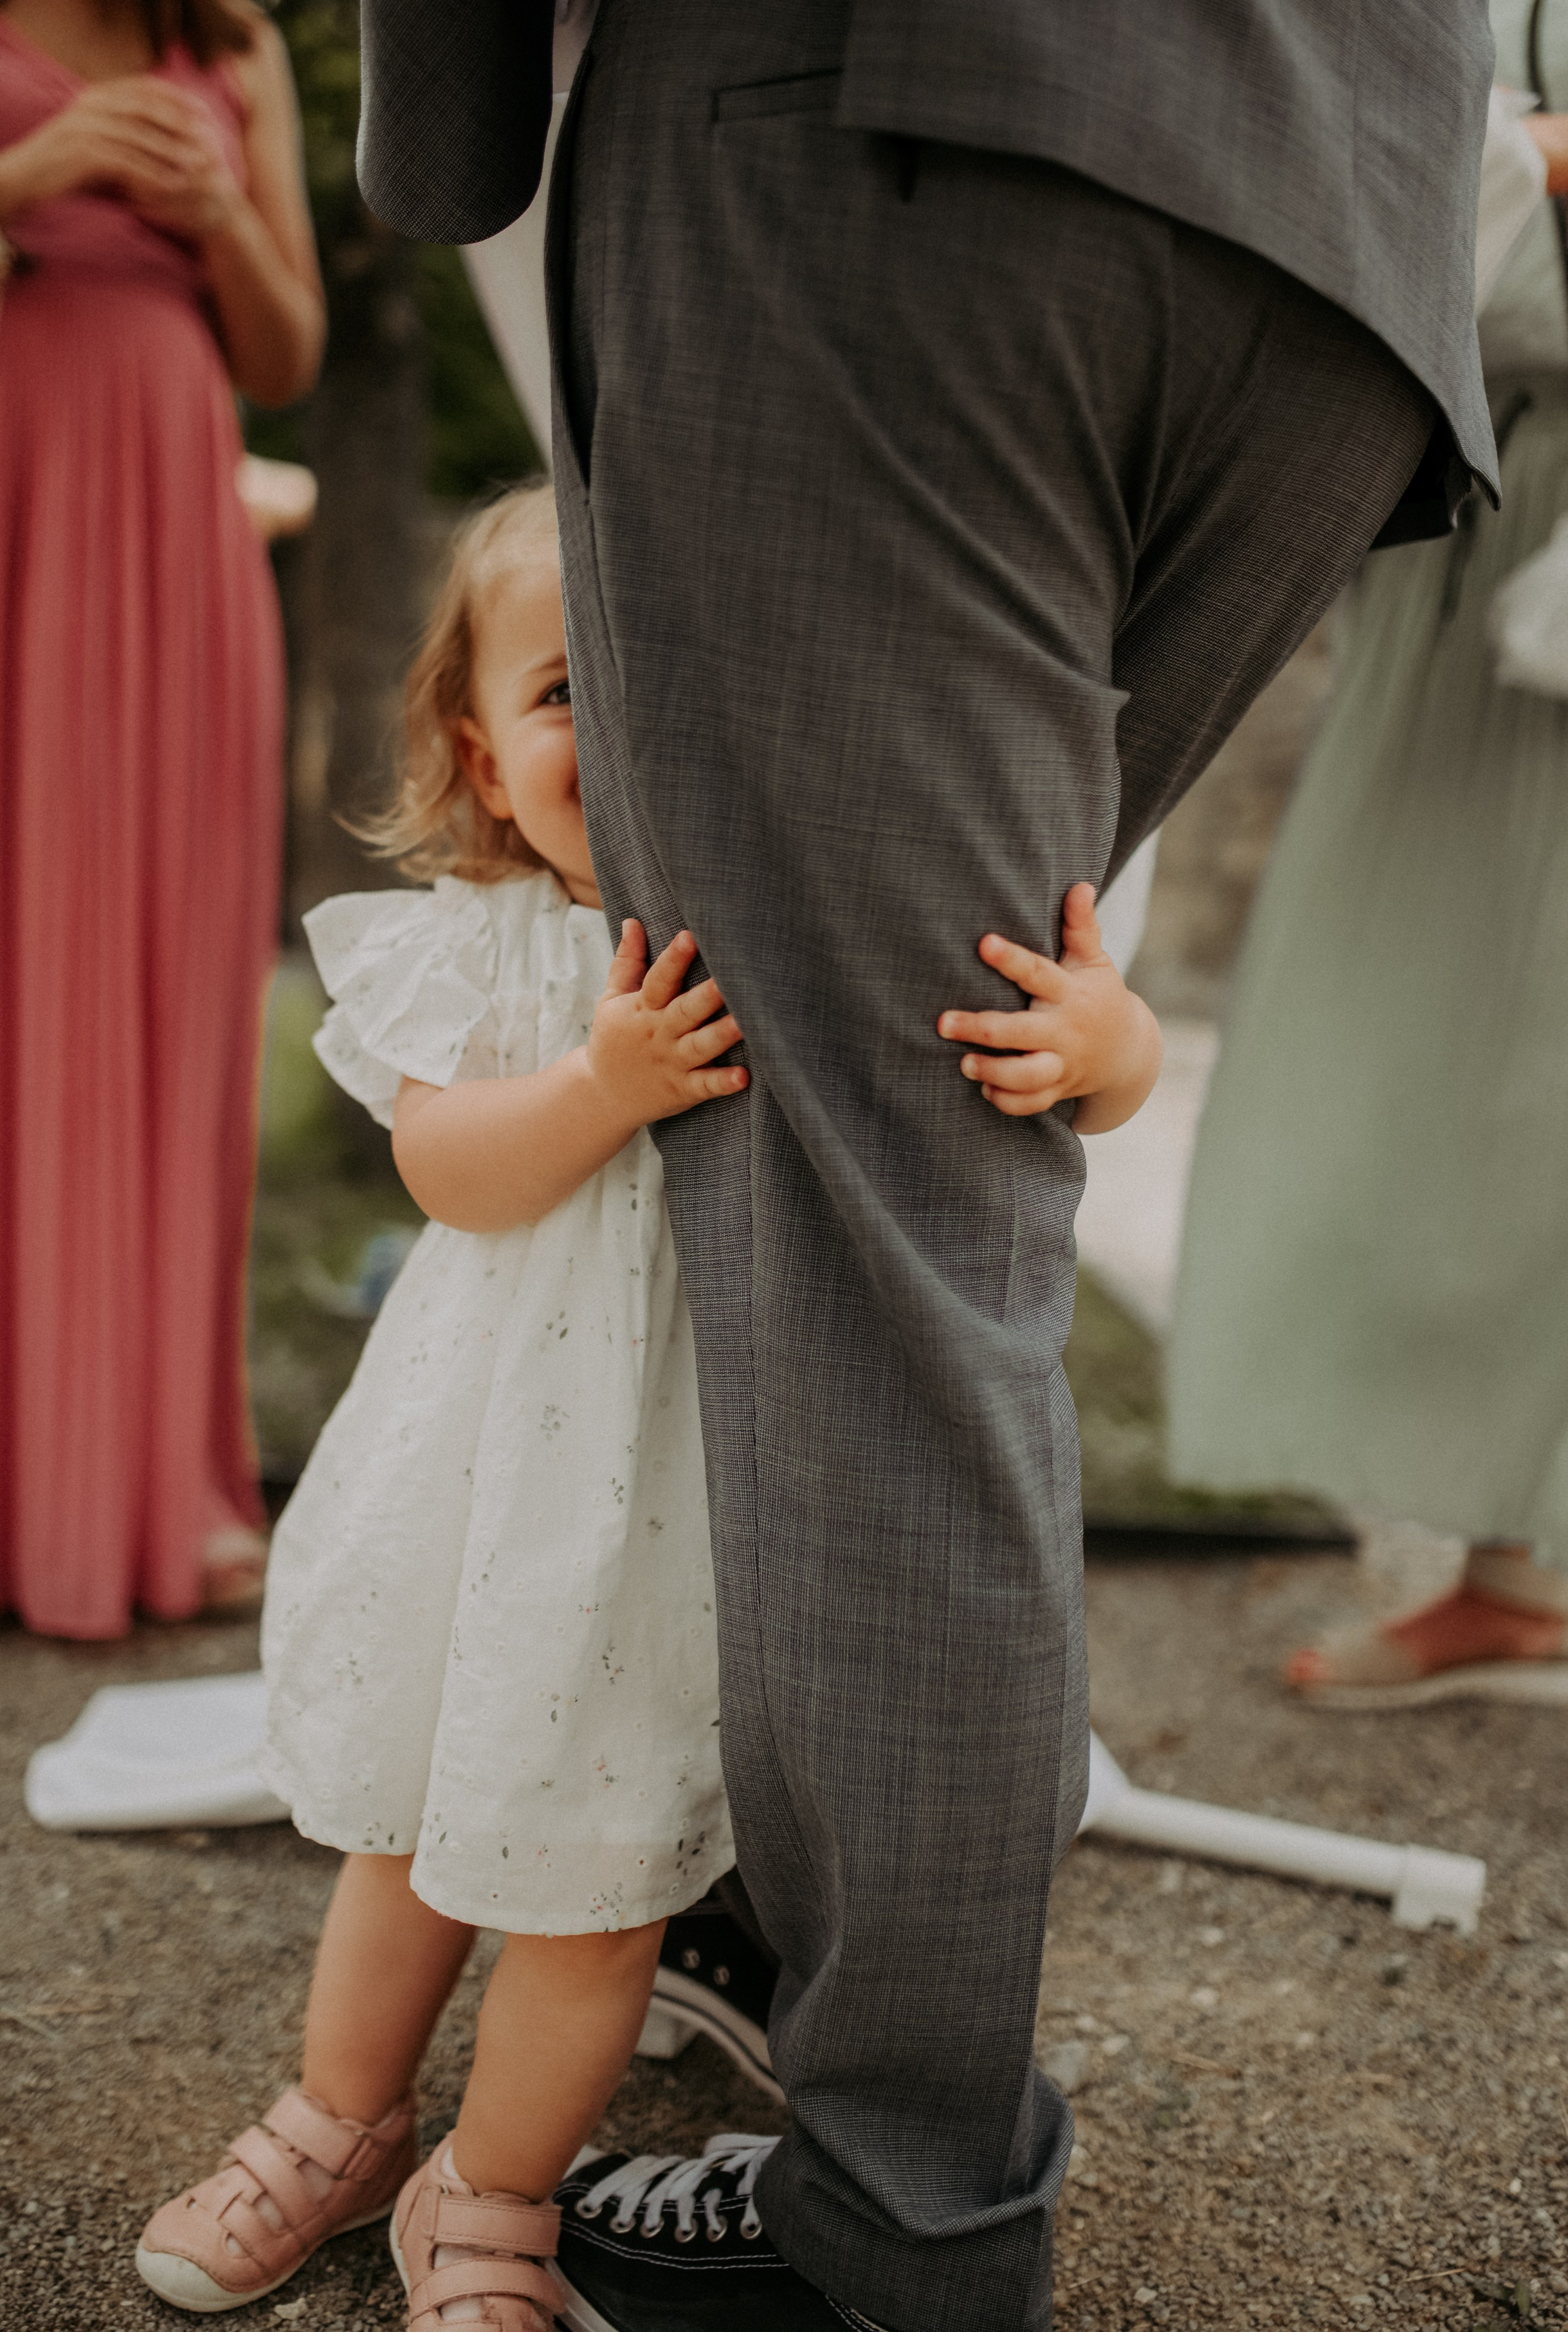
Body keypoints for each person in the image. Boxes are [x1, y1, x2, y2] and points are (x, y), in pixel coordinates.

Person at [358, 0, 1497, 2326]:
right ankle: (780, 1903)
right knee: (928, 1160)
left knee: (884, 1274)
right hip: (1346, 204)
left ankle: (903, 2220)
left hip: (890, 80)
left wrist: (454, 63)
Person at [132, 484, 1160, 2328]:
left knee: (597, 1885)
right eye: (562, 693)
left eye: (663, 686)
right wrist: (601, 1085)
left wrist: (1111, 1047)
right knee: (408, 1837)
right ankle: (338, 2121)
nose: (618, 736)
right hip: (485, 1484)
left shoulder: (819, 920)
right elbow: (450, 1171)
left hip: (683, 1514)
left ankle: (493, 2195)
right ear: (479, 751)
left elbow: (1064, 1048)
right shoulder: (491, 941)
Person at [1168, 0, 1568, 1711]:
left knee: (1536, 1062)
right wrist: (1520, 166)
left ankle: (1520, 1568)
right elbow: (1378, 177)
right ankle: (1508, 1565)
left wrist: (1506, 174)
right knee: (1427, 1055)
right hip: (1465, 550)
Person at [0, 0, 324, 1635]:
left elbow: (287, 353)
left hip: (172, 550)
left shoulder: (227, 38)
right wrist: (14, 179)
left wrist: (215, 209)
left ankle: (149, 1478)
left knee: (159, 989)